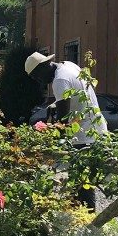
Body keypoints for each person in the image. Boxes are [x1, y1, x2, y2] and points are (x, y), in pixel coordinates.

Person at [25, 52, 107, 210]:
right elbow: (75, 93)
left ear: (43, 67)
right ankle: (80, 220)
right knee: (80, 182)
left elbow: (63, 121)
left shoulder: (59, 80)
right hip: (96, 129)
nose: (40, 82)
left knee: (83, 185)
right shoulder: (68, 66)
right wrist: (55, 104)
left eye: (37, 77)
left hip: (83, 136)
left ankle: (89, 225)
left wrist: (51, 145)